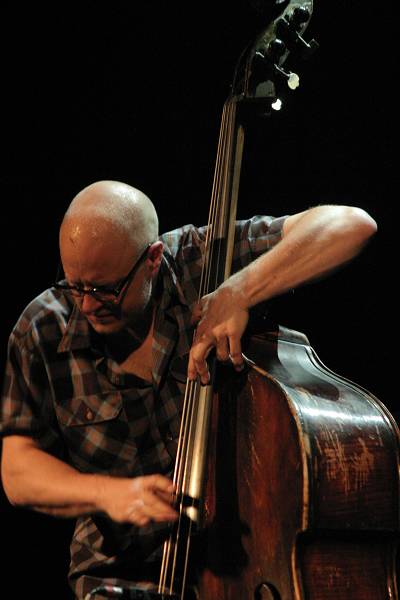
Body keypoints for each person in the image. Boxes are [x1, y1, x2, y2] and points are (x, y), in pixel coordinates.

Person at [0, 180, 377, 598]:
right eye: (74, 286)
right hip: (119, 572)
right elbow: (19, 471)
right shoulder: (41, 327)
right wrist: (109, 494)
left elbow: (351, 225)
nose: (87, 306)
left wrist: (239, 290)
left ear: (152, 259)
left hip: (240, 563)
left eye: (105, 290)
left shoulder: (201, 263)